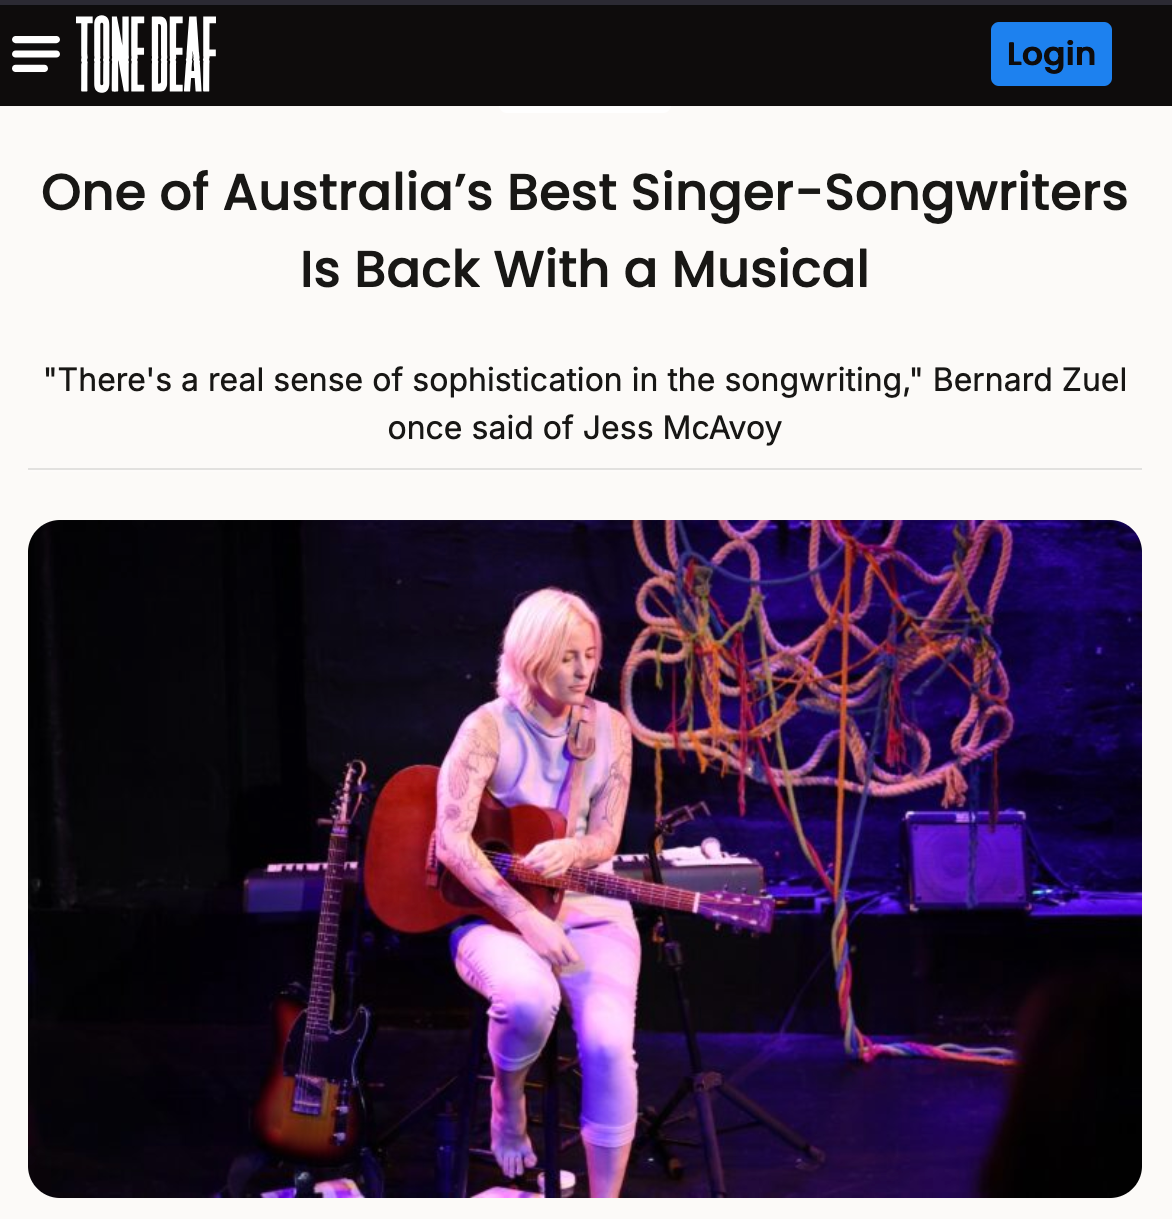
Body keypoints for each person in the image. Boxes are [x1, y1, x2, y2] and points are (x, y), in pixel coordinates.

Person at [434, 588, 639, 1198]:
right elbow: (451, 840)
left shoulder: (611, 729)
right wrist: (527, 918)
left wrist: (573, 850)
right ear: (530, 656)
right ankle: (507, 1098)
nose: (583, 671)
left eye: (591, 656)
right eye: (567, 657)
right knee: (528, 999)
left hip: (589, 907)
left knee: (606, 1046)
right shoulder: (486, 729)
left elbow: (606, 834)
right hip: (497, 913)